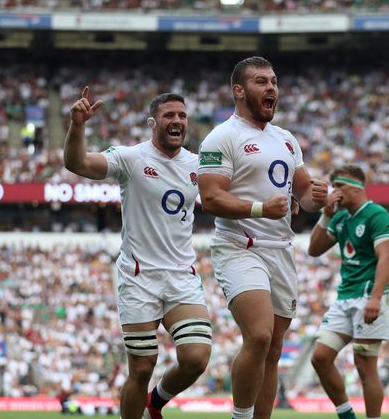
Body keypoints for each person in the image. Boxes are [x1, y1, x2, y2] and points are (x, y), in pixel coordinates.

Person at [64, 87, 212, 419]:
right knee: (142, 370)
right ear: (152, 122)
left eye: (182, 116)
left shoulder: (198, 165)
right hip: (138, 277)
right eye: (169, 115)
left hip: (181, 276)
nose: (177, 121)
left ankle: (154, 404)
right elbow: (77, 162)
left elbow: (229, 193)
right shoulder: (131, 158)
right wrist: (77, 126)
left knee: (196, 358)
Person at [197, 56, 328, 419]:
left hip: (280, 249)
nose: (271, 88)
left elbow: (301, 195)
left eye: (273, 81)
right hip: (239, 246)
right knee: (258, 335)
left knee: (272, 349)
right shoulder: (222, 137)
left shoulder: (286, 139)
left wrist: (315, 196)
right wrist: (258, 209)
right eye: (260, 81)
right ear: (239, 90)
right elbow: (210, 198)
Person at [307, 164, 389, 419]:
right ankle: (346, 414)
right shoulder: (340, 217)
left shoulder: (377, 216)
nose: (334, 192)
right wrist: (325, 215)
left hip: (369, 295)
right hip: (345, 297)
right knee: (320, 357)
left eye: (339, 186)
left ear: (356, 188)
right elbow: (314, 249)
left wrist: (376, 298)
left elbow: (386, 258)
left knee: (365, 365)